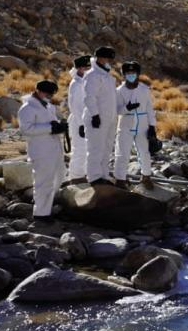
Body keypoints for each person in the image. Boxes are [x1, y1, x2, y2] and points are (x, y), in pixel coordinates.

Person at [18, 80, 67, 221]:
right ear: (38, 91)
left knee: (59, 176)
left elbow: (52, 125)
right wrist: (50, 128)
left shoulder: (49, 107)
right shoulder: (27, 108)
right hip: (41, 151)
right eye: (47, 93)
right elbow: (26, 130)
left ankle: (45, 204)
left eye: (52, 94)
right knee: (43, 181)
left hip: (54, 149)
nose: (49, 96)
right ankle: (41, 214)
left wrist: (60, 127)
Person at [114, 61, 157, 189]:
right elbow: (117, 110)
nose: (131, 75)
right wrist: (127, 108)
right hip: (125, 123)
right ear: (123, 74)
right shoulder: (119, 91)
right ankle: (120, 179)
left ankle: (146, 177)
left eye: (133, 73)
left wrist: (152, 126)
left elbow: (149, 108)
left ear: (138, 74)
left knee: (144, 151)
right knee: (122, 152)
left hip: (142, 124)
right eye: (128, 73)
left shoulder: (144, 89)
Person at [82, 46, 118, 185]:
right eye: (107, 58)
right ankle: (94, 177)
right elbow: (89, 97)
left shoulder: (107, 76)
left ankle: (103, 174)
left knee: (107, 148)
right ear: (99, 58)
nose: (108, 61)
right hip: (97, 118)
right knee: (95, 148)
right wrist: (95, 115)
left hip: (109, 118)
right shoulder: (92, 75)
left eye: (110, 59)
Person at [66, 55, 91, 183]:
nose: (88, 70)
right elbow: (75, 106)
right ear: (80, 68)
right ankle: (76, 177)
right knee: (79, 149)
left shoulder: (84, 82)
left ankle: (84, 174)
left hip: (85, 121)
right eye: (86, 67)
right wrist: (82, 124)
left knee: (86, 149)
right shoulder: (76, 84)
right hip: (78, 121)